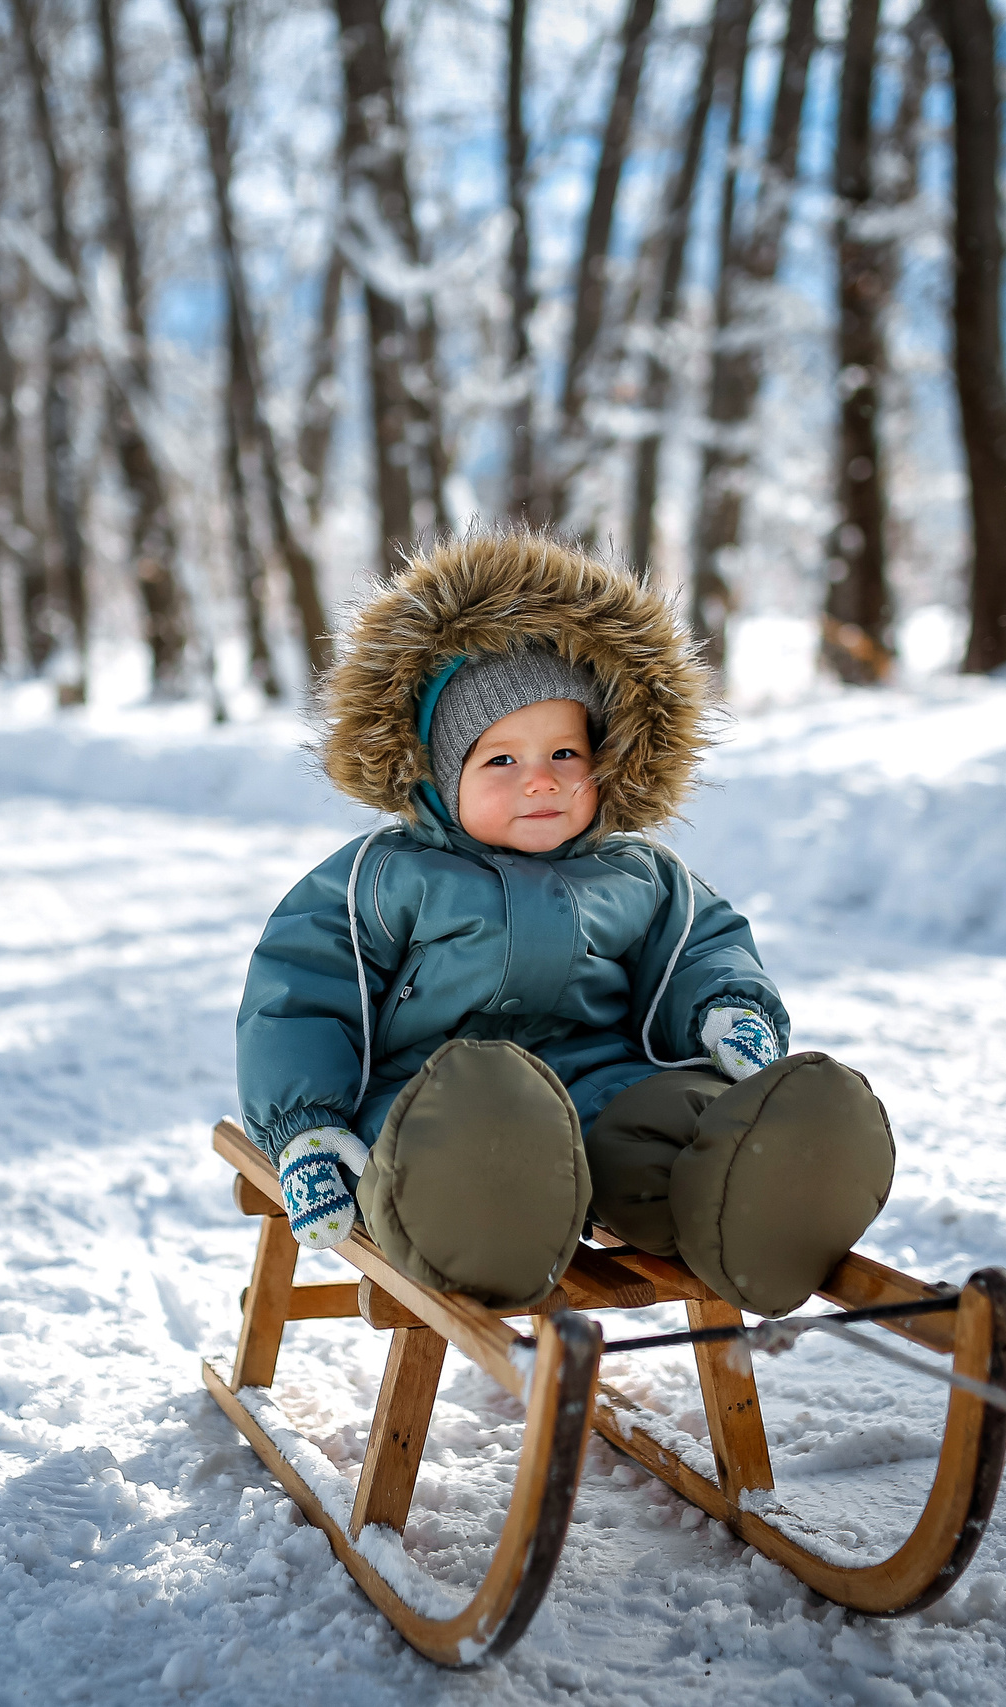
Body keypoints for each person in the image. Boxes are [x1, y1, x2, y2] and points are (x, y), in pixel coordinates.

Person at [234, 533, 894, 1315]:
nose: (541, 779)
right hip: (437, 1102)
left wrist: (729, 1007)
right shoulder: (383, 876)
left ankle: (763, 1191)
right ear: (443, 780)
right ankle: (484, 1224)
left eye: (565, 752)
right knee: (474, 1128)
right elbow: (300, 996)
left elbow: (703, 949)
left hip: (606, 1095)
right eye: (501, 761)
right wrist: (304, 1128)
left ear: (604, 757)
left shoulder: (640, 875)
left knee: (683, 1123)